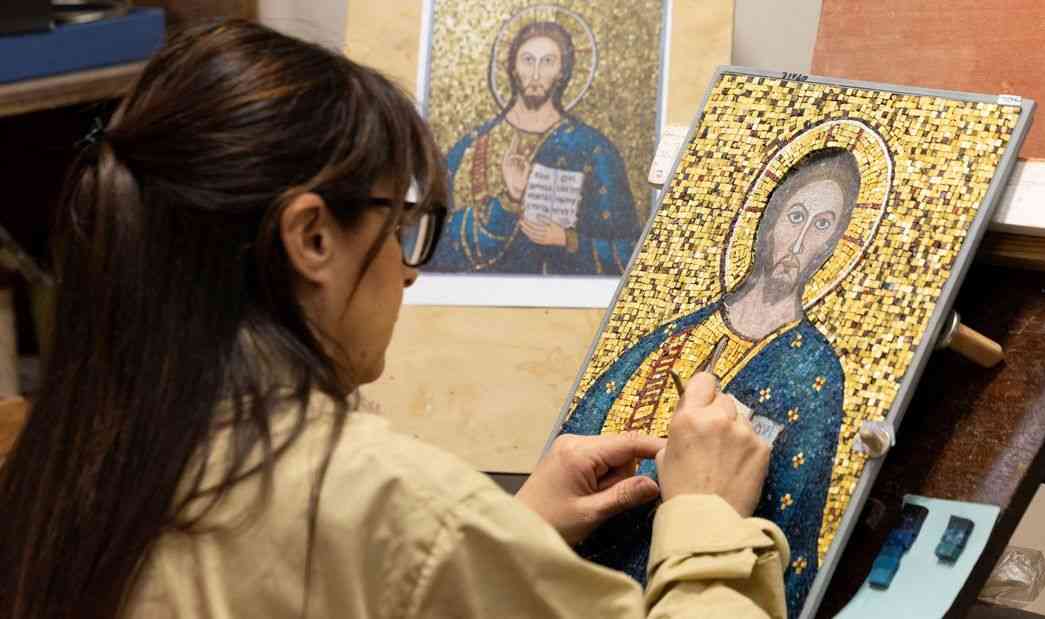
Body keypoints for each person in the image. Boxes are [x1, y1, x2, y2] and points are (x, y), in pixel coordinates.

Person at [0, 21, 787, 619]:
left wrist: (511, 531)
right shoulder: (393, 504)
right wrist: (706, 519)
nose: (410, 271)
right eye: (403, 226)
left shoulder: (72, 442)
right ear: (312, 237)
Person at [564, 148, 860, 615]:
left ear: (835, 243)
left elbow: (795, 525)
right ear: (768, 223)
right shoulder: (679, 333)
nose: (800, 241)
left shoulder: (815, 371)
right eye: (796, 216)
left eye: (822, 225)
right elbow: (582, 432)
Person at [432, 19, 640, 275]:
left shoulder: (592, 148)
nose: (535, 74)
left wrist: (569, 240)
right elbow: (432, 242)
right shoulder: (474, 147)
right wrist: (509, 201)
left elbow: (633, 252)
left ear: (563, 71)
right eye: (528, 60)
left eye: (548, 61)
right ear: (513, 67)